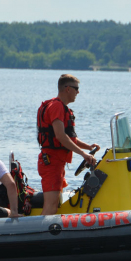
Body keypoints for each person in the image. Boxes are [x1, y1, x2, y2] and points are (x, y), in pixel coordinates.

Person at [36, 74, 99, 215]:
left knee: (55, 205)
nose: (78, 92)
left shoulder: (60, 107)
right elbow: (60, 136)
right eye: (76, 88)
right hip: (51, 162)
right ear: (68, 89)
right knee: (51, 206)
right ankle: (42, 234)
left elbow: (68, 138)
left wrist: (88, 147)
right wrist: (83, 154)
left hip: (57, 162)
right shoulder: (57, 106)